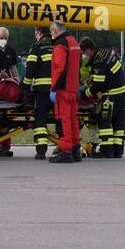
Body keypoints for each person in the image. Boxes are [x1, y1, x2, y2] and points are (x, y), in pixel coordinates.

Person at [80, 38, 125, 158]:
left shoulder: (99, 60)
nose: (85, 56)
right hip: (124, 90)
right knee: (118, 122)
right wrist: (92, 78)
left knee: (104, 119)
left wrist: (83, 94)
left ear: (88, 50)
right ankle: (118, 150)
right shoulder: (104, 53)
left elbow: (97, 87)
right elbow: (105, 73)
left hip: (113, 93)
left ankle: (106, 150)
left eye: (84, 53)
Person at [47, 20, 82, 163]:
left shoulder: (60, 44)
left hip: (63, 88)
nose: (51, 35)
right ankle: (75, 149)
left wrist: (53, 87)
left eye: (51, 32)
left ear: (55, 30)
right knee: (73, 119)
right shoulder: (74, 42)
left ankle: (66, 150)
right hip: (73, 87)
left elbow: (59, 68)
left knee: (64, 119)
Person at [20, 26, 54, 159]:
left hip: (42, 91)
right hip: (58, 90)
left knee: (40, 119)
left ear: (39, 33)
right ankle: (65, 148)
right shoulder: (59, 46)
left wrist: (25, 87)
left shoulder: (36, 48)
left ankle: (41, 150)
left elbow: (30, 71)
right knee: (61, 118)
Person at [0, 26, 20, 157]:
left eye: (5, 38)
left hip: (6, 88)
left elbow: (13, 67)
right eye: (1, 38)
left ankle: (4, 147)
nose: (3, 40)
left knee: (6, 120)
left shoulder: (10, 50)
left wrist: (16, 80)